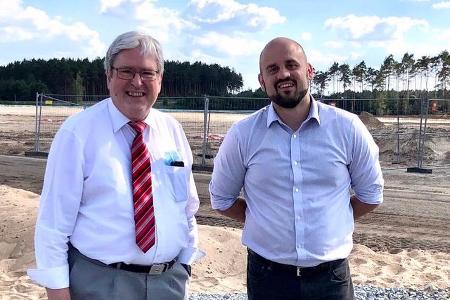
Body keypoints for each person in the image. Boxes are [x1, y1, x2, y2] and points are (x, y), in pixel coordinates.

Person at [27, 31, 203, 300]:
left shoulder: (172, 130)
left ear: (160, 79)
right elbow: (53, 225)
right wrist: (58, 292)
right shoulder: (78, 133)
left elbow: (187, 209)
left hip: (168, 284)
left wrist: (185, 265)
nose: (137, 82)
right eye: (126, 72)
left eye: (147, 73)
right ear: (108, 76)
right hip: (101, 284)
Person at [209, 37, 384, 300]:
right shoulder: (243, 135)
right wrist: (265, 219)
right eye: (272, 69)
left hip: (330, 280)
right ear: (261, 80)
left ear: (309, 70)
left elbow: (370, 196)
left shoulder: (348, 128)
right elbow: (221, 199)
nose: (283, 74)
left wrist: (331, 219)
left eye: (292, 65)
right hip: (268, 279)